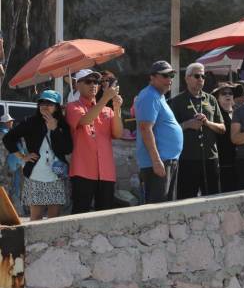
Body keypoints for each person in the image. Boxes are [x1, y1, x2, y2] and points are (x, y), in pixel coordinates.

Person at [3, 91, 72, 220]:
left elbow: (68, 149)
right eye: (42, 102)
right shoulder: (30, 122)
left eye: (50, 103)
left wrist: (55, 129)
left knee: (54, 218)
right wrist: (22, 156)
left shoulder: (62, 124)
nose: (45, 106)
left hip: (56, 175)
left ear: (56, 106)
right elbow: (8, 138)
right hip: (35, 175)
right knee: (36, 218)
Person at [66, 69, 124, 213]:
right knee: (80, 213)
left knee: (105, 216)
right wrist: (105, 98)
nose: (93, 85)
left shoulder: (107, 110)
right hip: (82, 171)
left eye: (96, 82)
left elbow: (118, 133)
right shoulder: (73, 106)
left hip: (106, 171)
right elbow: (86, 120)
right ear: (77, 85)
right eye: (88, 81)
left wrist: (116, 109)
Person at [168, 63, 225, 199]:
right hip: (188, 158)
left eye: (203, 76)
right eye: (197, 76)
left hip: (210, 157)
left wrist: (207, 123)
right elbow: (169, 131)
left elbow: (223, 128)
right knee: (186, 200)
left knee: (213, 199)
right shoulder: (177, 101)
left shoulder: (211, 99)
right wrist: (186, 125)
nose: (201, 79)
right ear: (187, 78)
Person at [135, 61, 184, 203]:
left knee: (167, 208)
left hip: (167, 160)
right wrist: (156, 161)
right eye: (165, 75)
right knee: (158, 210)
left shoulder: (158, 95)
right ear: (152, 77)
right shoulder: (149, 96)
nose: (169, 79)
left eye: (172, 75)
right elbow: (145, 129)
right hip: (158, 162)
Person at [213, 83, 238, 192]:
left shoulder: (238, 112)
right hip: (223, 160)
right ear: (217, 98)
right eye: (224, 93)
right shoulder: (215, 114)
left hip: (239, 160)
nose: (228, 95)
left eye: (230, 93)